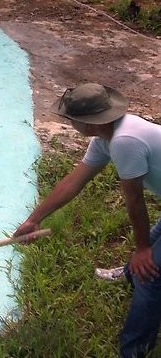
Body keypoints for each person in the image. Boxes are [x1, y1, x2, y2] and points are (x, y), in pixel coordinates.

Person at [13, 82, 161, 358]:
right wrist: (34, 220)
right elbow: (73, 182)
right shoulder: (106, 137)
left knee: (152, 273)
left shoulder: (124, 141)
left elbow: (135, 200)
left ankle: (134, 351)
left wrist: (142, 250)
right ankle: (128, 272)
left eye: (71, 120)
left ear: (88, 124)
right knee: (151, 247)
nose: (69, 124)